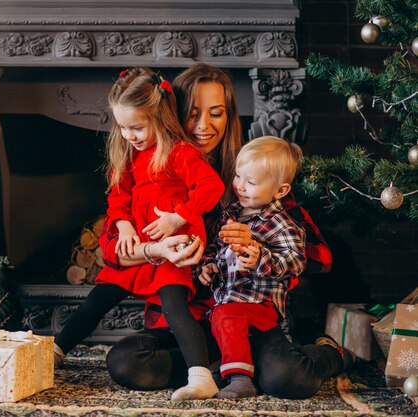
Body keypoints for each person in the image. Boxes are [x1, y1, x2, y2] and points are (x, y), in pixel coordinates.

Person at [104, 63, 347, 400]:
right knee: (126, 362)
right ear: (170, 115)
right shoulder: (151, 175)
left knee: (291, 379)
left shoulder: (252, 178)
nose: (204, 126)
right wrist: (153, 251)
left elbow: (319, 257)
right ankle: (221, 369)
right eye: (193, 114)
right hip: (187, 326)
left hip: (245, 318)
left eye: (216, 113)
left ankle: (321, 355)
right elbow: (111, 250)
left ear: (229, 117)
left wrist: (257, 247)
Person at [53, 67, 226, 400]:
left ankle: (201, 375)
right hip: (142, 244)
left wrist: (178, 217)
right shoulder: (130, 154)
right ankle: (56, 351)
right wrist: (123, 224)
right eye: (122, 126)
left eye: (136, 127)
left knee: (176, 310)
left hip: (172, 249)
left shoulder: (180, 153)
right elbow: (118, 196)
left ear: (160, 119)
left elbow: (211, 186)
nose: (128, 134)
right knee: (96, 301)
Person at [199, 136, 306, 398]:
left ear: (280, 190)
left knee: (226, 316)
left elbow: (295, 262)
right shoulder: (230, 213)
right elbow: (216, 247)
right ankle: (226, 366)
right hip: (227, 301)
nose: (240, 186)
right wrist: (208, 265)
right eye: (238, 176)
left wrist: (260, 257)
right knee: (222, 317)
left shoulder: (282, 224)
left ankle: (240, 379)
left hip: (261, 305)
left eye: (252, 182)